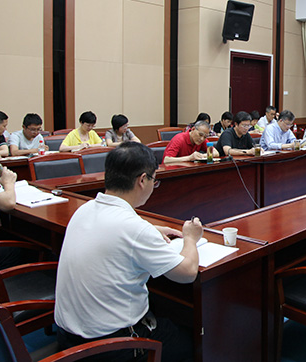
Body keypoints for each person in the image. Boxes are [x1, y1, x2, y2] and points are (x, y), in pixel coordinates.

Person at [55, 142, 200, 362]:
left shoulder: (83, 209)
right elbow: (188, 273)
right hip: (110, 346)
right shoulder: (135, 230)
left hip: (67, 338)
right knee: (193, 342)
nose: (154, 185)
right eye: (154, 180)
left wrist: (148, 229)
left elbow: (116, 230)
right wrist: (190, 238)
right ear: (142, 180)